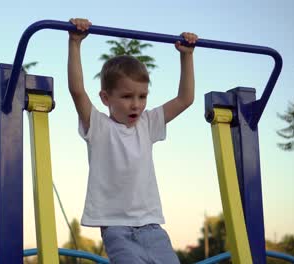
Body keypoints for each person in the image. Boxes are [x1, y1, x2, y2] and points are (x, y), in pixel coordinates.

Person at [67, 18, 197, 264]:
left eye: (142, 96)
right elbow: (77, 91)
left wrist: (186, 56)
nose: (136, 104)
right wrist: (75, 43)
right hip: (117, 229)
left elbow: (185, 99)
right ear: (106, 98)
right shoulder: (98, 127)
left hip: (152, 227)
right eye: (127, 96)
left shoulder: (148, 123)